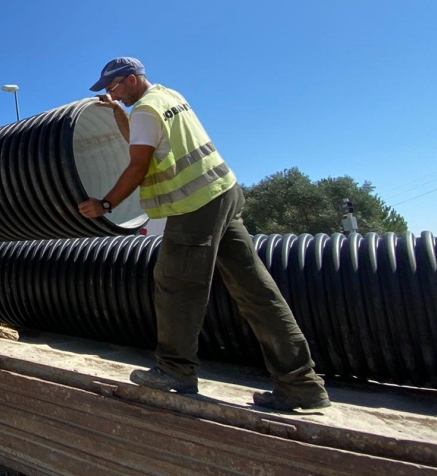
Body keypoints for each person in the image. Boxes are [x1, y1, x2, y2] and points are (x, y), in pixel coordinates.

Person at [77, 57, 329, 412]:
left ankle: (175, 370)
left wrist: (105, 204)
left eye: (113, 87)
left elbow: (139, 163)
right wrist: (117, 110)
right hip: (223, 191)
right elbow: (140, 138)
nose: (109, 92)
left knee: (176, 285)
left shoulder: (147, 110)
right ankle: (301, 384)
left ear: (131, 80)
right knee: (256, 290)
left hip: (194, 203)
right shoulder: (166, 97)